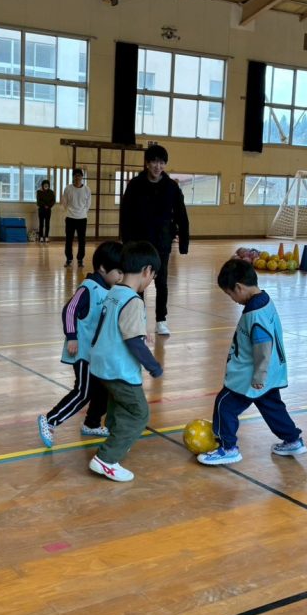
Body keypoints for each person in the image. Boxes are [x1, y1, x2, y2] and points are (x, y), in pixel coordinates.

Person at [196, 258, 305, 466]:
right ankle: (292, 440)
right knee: (272, 407)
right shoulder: (264, 300)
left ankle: (228, 448)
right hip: (271, 372)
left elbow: (263, 345)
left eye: (230, 294)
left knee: (225, 405)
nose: (232, 299)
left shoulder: (254, 313)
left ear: (238, 287)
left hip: (251, 374)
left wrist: (258, 375)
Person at [87, 241, 163, 482]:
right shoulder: (133, 300)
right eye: (153, 276)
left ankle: (117, 437)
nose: (151, 281)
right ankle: (106, 459)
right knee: (139, 413)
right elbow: (133, 341)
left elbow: (112, 327)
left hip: (101, 364)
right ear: (147, 271)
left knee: (118, 404)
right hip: (118, 367)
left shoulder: (114, 292)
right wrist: (153, 365)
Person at [37, 241, 124, 448]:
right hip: (84, 352)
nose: (121, 277)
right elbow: (69, 310)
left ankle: (92, 423)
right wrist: (72, 336)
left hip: (98, 354)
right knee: (83, 391)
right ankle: (50, 420)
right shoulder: (89, 288)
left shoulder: (110, 290)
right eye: (118, 272)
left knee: (103, 389)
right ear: (103, 268)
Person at [119, 145, 190, 336]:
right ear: (147, 163)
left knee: (162, 282)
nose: (158, 166)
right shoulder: (135, 185)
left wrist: (184, 241)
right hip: (138, 242)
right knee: (137, 281)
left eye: (161, 162)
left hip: (162, 242)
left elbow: (182, 215)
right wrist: (126, 242)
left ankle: (161, 320)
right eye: (154, 162)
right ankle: (139, 317)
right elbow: (125, 214)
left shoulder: (172, 187)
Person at [62, 168, 91, 266]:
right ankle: (69, 259)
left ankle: (80, 260)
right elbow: (64, 202)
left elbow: (88, 204)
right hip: (70, 217)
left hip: (82, 218)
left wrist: (82, 212)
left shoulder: (87, 189)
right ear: (73, 177)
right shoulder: (68, 188)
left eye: (79, 175)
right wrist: (69, 212)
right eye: (75, 175)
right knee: (68, 240)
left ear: (82, 177)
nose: (77, 177)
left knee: (82, 240)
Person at [35, 179, 55, 243]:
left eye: (47, 184)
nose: (46, 185)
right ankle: (41, 237)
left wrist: (48, 206)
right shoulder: (39, 192)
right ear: (42, 185)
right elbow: (38, 202)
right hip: (41, 210)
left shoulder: (51, 192)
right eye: (44, 184)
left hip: (48, 210)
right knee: (41, 224)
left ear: (49, 185)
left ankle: (46, 237)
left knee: (47, 224)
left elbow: (53, 201)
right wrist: (44, 205)